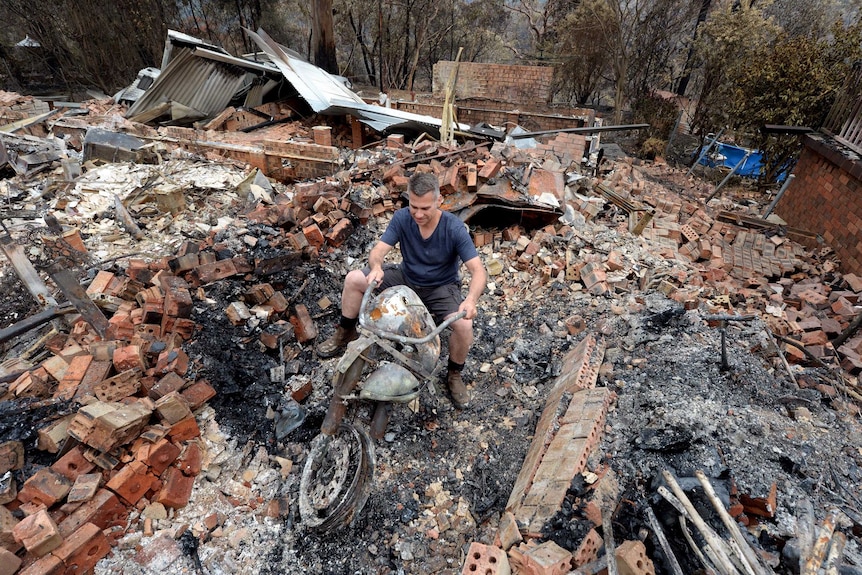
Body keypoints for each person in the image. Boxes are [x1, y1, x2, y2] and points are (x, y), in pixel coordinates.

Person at [317, 172, 487, 409]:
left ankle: (454, 375)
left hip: (440, 288)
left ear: (439, 201)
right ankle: (344, 333)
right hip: (406, 278)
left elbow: (478, 271)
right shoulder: (402, 218)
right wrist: (376, 267)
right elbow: (378, 251)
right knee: (355, 279)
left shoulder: (454, 228)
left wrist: (470, 300)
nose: (418, 214)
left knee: (464, 325)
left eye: (425, 208)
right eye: (413, 206)